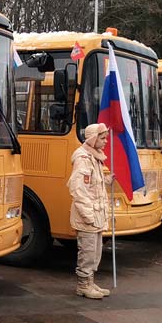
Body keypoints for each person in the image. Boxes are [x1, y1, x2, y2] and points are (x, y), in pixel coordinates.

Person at [68, 122, 112, 300]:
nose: (106, 141)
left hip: (96, 216)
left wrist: (107, 180)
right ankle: (83, 285)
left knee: (95, 252)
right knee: (87, 252)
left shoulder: (95, 157)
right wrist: (88, 215)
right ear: (93, 139)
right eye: (102, 138)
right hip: (88, 217)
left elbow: (93, 185)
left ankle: (90, 282)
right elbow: (78, 190)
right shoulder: (83, 158)